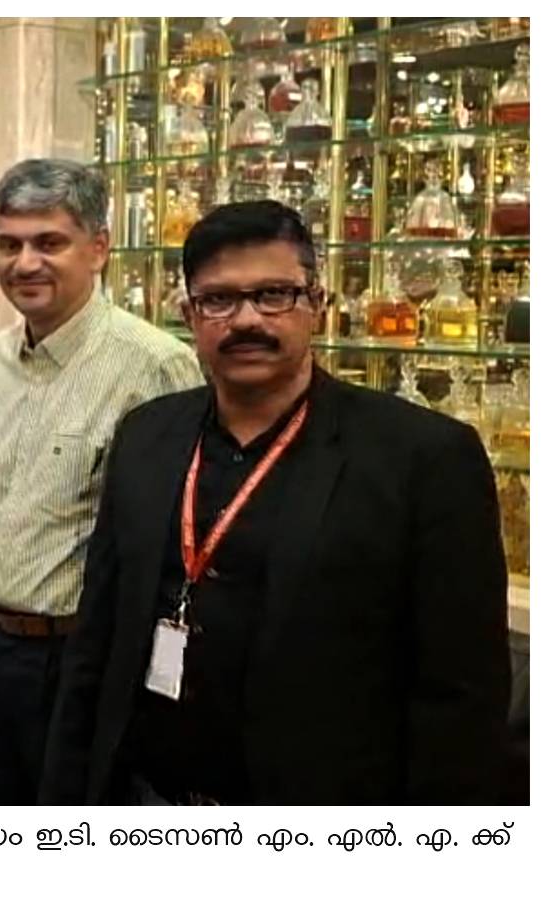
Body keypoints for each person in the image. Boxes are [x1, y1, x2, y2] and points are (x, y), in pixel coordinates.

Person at [42, 200, 510, 805]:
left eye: (273, 295)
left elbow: (461, 699)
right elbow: (98, 639)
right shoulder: (147, 435)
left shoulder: (422, 458)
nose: (246, 320)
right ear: (189, 315)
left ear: (318, 304)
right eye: (218, 300)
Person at [0, 158, 202, 805]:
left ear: (98, 248)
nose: (25, 263)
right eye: (9, 244)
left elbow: (176, 554)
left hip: (88, 663)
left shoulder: (155, 367)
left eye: (48, 242)